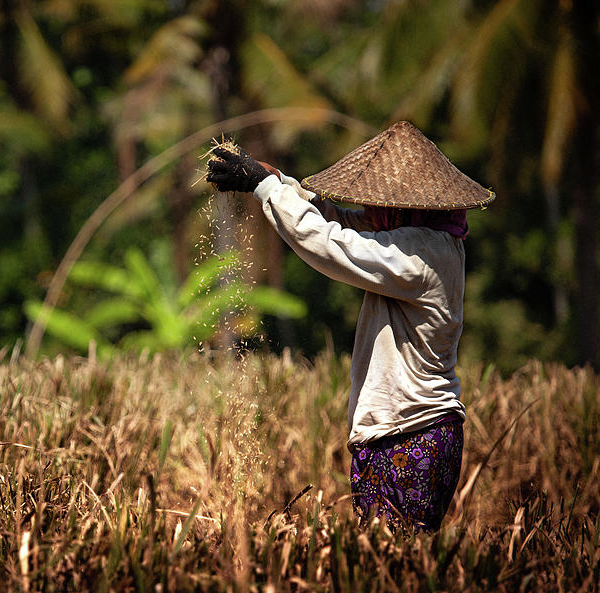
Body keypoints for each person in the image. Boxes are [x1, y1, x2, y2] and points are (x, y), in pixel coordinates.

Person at [205, 121, 495, 532]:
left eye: (381, 205)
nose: (373, 212)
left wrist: (265, 189)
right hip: (400, 434)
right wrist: (277, 182)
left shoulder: (420, 256)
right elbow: (342, 222)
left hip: (412, 436)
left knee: (397, 566)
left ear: (407, 206)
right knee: (383, 564)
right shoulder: (422, 239)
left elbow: (333, 243)